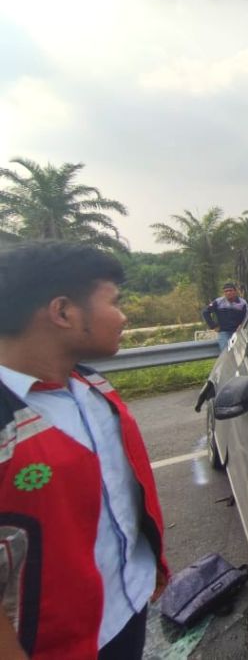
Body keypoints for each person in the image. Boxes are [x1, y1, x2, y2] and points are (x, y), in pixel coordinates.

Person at [0, 241, 169, 660]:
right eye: (115, 302)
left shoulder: (93, 389)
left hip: (127, 607)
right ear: (62, 312)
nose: (124, 316)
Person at [201, 282, 248, 351]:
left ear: (235, 291)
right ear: (224, 293)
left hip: (238, 332)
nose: (228, 293)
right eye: (226, 291)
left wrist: (242, 325)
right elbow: (205, 312)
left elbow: (247, 316)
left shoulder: (242, 303)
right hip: (224, 332)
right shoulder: (218, 302)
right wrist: (213, 326)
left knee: (241, 352)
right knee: (226, 353)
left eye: (230, 290)